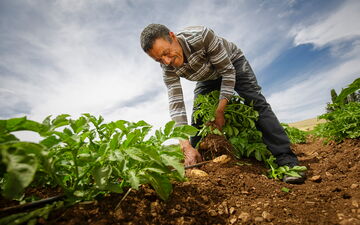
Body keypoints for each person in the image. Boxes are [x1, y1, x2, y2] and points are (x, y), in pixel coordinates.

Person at [140, 24, 305, 183]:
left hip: (232, 64)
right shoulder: (166, 67)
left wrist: (220, 111)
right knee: (197, 117)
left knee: (255, 102)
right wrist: (185, 145)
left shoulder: (201, 36)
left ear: (172, 36)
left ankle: (287, 160)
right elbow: (176, 103)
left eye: (166, 53)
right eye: (159, 59)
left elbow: (227, 71)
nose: (166, 61)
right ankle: (196, 158)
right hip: (206, 77)